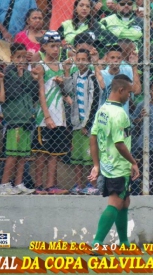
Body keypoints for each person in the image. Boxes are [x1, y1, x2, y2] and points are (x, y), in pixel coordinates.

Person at [88, 74, 140, 248]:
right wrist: (133, 162)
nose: (130, 97)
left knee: (124, 202)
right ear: (121, 90)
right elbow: (119, 144)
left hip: (107, 165)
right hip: (119, 165)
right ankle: (97, 242)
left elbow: (93, 138)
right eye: (129, 93)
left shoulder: (102, 110)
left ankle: (124, 243)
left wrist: (96, 164)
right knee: (116, 202)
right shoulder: (120, 114)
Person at [0, 43, 42, 195]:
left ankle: (18, 183)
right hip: (14, 120)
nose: (22, 60)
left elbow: (33, 94)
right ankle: (4, 184)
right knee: (12, 154)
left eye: (24, 57)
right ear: (11, 58)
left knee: (23, 155)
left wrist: (35, 79)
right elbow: (13, 93)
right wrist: (20, 76)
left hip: (26, 119)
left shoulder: (26, 73)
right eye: (18, 57)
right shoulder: (9, 73)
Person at [32, 31, 70, 195]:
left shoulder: (61, 67)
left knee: (55, 152)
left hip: (59, 116)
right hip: (44, 116)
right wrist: (46, 116)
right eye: (52, 46)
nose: (56, 50)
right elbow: (41, 92)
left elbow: (65, 91)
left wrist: (63, 83)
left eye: (58, 46)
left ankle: (50, 185)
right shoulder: (42, 67)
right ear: (44, 47)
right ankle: (39, 185)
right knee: (42, 153)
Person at [64, 48, 104, 195]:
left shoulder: (92, 78)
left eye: (83, 60)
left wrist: (88, 124)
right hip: (76, 122)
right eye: (78, 59)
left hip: (88, 124)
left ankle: (92, 184)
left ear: (88, 61)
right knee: (77, 157)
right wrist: (67, 72)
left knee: (89, 157)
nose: (80, 62)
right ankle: (79, 185)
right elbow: (67, 90)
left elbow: (94, 102)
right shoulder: (74, 75)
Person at [100, 44, 141, 115]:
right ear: (106, 59)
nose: (116, 60)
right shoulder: (103, 74)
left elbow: (137, 91)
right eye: (112, 58)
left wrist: (134, 66)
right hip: (107, 114)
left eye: (118, 58)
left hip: (123, 114)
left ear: (121, 59)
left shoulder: (127, 69)